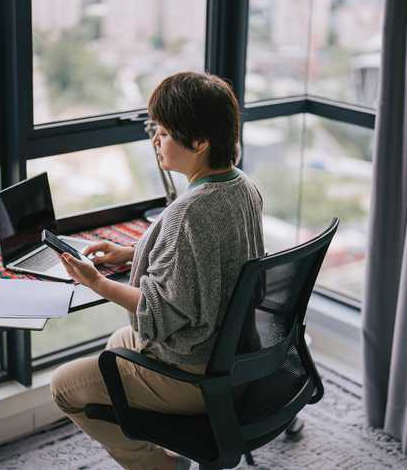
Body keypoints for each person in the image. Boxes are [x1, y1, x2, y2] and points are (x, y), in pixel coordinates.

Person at [50, 71, 265, 470]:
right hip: (235, 353)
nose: (154, 141)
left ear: (199, 142)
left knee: (63, 386)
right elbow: (205, 259)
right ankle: (165, 443)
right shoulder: (242, 187)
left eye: (163, 133)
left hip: (197, 373)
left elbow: (157, 312)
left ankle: (160, 467)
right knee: (118, 341)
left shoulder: (188, 213)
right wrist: (130, 253)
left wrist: (96, 281)